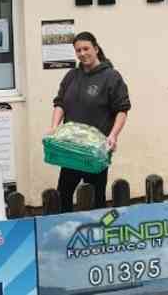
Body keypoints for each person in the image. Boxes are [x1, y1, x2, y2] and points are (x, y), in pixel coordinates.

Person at [50, 31, 130, 212]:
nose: (82, 53)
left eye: (86, 48)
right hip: (70, 149)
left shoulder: (111, 77)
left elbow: (122, 110)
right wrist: (54, 128)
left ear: (96, 48)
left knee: (96, 199)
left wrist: (113, 136)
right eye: (78, 50)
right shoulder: (71, 76)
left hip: (96, 151)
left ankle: (97, 236)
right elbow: (60, 103)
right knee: (63, 195)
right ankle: (66, 233)